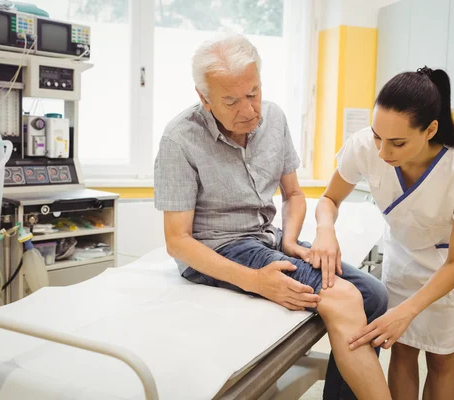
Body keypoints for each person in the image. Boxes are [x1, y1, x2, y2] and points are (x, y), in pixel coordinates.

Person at [153, 33, 391, 399]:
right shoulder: (179, 139)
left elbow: (294, 194)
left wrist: (292, 239)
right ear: (203, 98)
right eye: (230, 101)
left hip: (267, 235)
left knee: (374, 295)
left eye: (253, 93)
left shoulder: (274, 119)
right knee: (342, 297)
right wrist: (254, 281)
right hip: (219, 246)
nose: (248, 110)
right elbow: (178, 241)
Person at [310, 65, 454, 399]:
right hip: (402, 261)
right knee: (402, 351)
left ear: (430, 130)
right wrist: (325, 229)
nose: (382, 153)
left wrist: (407, 310)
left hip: (448, 273)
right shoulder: (365, 146)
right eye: (377, 137)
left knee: (441, 360)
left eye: (397, 143)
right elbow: (329, 199)